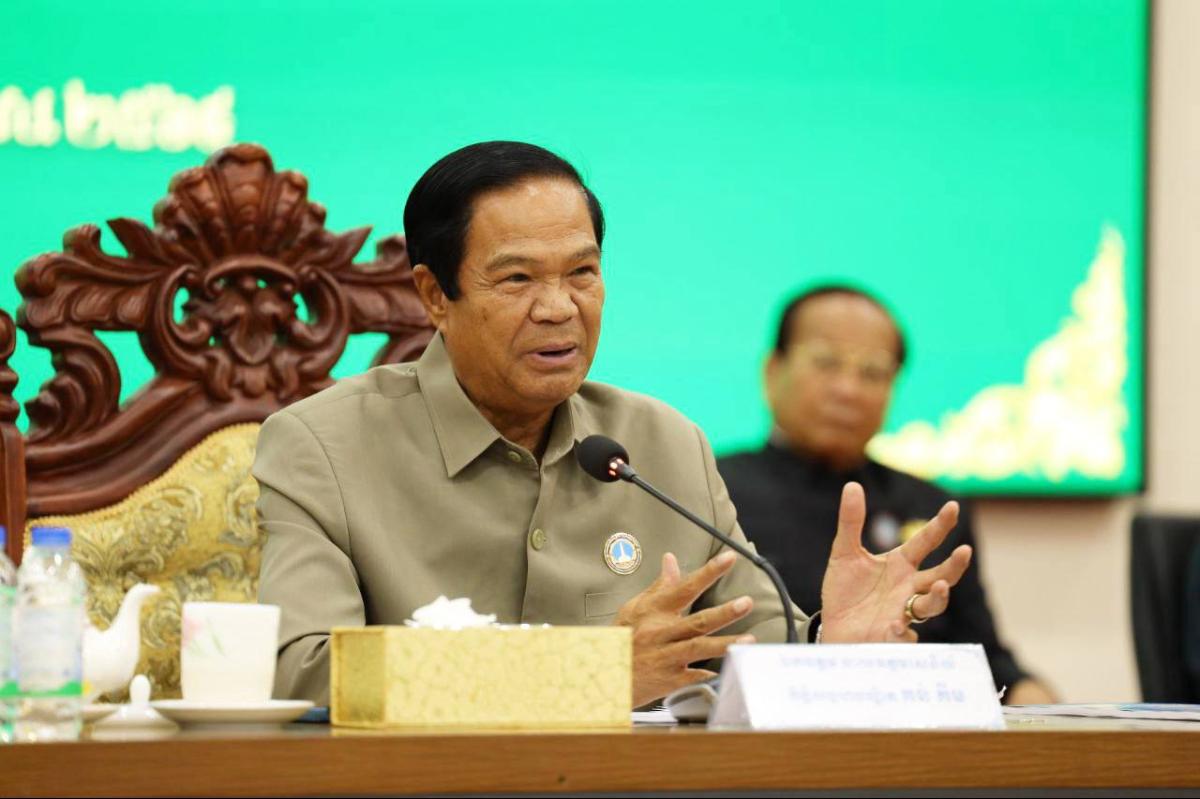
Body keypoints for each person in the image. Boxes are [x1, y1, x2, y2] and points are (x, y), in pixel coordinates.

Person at [253, 143, 972, 708]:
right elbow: (303, 669)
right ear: (435, 295)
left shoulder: (663, 443)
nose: (559, 308)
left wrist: (829, 650)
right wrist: (587, 671)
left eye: (582, 273)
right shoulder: (323, 446)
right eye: (518, 279)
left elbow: (753, 643)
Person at [717, 286, 1057, 704]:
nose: (848, 389)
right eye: (826, 362)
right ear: (773, 371)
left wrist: (1046, 708)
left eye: (873, 372)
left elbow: (988, 662)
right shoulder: (713, 492)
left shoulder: (934, 510)